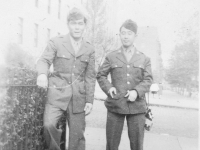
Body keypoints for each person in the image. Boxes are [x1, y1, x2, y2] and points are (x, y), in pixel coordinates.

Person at [36, 7, 96, 150]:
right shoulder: (56, 42)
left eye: (80, 24)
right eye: (73, 23)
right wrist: (42, 74)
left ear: (85, 26)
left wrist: (89, 100)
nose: (77, 27)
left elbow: (90, 76)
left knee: (77, 136)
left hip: (78, 98)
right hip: (57, 94)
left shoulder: (90, 48)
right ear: (68, 24)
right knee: (48, 125)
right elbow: (43, 60)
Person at [97, 19, 153, 150]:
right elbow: (101, 75)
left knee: (137, 145)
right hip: (116, 105)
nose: (126, 36)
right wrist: (109, 87)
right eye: (123, 33)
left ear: (135, 36)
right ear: (119, 35)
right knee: (111, 145)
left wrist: (136, 92)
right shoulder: (111, 56)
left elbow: (148, 80)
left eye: (129, 33)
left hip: (137, 107)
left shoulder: (144, 59)